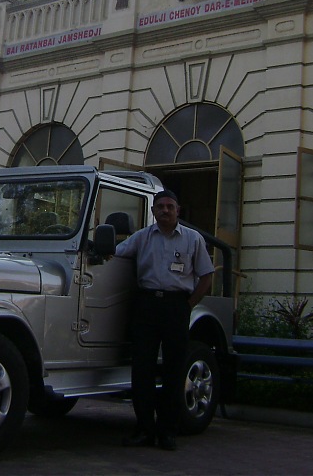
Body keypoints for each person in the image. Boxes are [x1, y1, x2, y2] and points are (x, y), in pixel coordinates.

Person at [114, 189, 214, 451]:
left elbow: (206, 276)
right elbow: (115, 254)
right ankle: (144, 429)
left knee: (174, 372)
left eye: (170, 206)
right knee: (142, 370)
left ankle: (168, 432)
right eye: (160, 207)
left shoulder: (193, 240)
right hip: (146, 306)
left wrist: (188, 306)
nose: (165, 211)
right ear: (153, 211)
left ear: (178, 210)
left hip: (176, 308)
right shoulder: (142, 238)